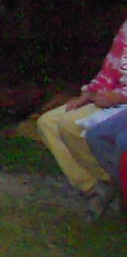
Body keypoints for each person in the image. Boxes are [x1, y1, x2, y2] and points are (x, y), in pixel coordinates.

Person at [31, 15, 127, 217]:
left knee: (70, 125)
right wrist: (88, 94)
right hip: (110, 98)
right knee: (47, 122)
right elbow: (110, 69)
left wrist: (117, 97)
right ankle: (94, 187)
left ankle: (114, 180)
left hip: (121, 104)